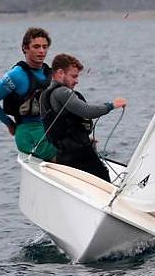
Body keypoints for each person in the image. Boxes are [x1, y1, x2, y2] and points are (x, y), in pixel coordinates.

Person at [40, 54, 126, 182]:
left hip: (64, 155)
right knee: (104, 182)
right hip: (79, 155)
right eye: (73, 76)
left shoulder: (45, 94)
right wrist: (112, 105)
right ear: (60, 73)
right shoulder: (61, 92)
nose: (76, 81)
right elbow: (87, 111)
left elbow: (63, 127)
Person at [0, 27, 57, 160]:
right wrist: (9, 124)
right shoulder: (16, 75)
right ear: (25, 48)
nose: (41, 51)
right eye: (36, 46)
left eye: (45, 47)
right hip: (28, 132)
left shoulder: (49, 73)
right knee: (66, 155)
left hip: (47, 128)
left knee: (84, 143)